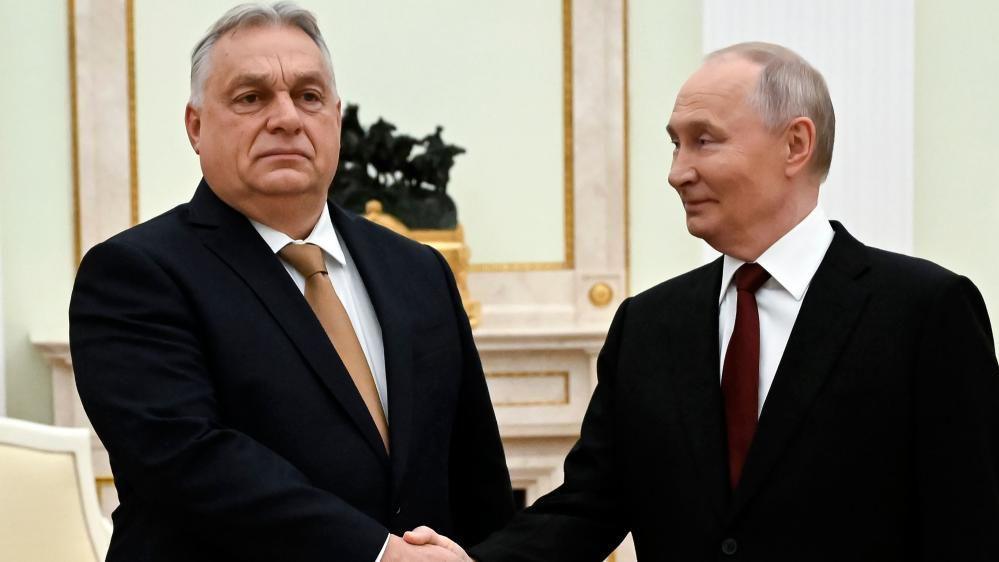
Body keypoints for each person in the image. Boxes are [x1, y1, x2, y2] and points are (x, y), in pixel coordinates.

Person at [406, 42, 999, 561]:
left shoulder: (925, 312)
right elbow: (588, 507)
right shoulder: (647, 325)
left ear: (796, 144)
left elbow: (969, 529)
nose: (676, 172)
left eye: (703, 142)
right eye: (674, 145)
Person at [69, 3, 514, 561]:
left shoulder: (418, 270)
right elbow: (188, 462)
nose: (286, 117)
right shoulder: (135, 275)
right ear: (196, 126)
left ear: (337, 118)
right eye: (251, 97)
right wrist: (381, 554)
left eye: (308, 96)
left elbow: (476, 474)